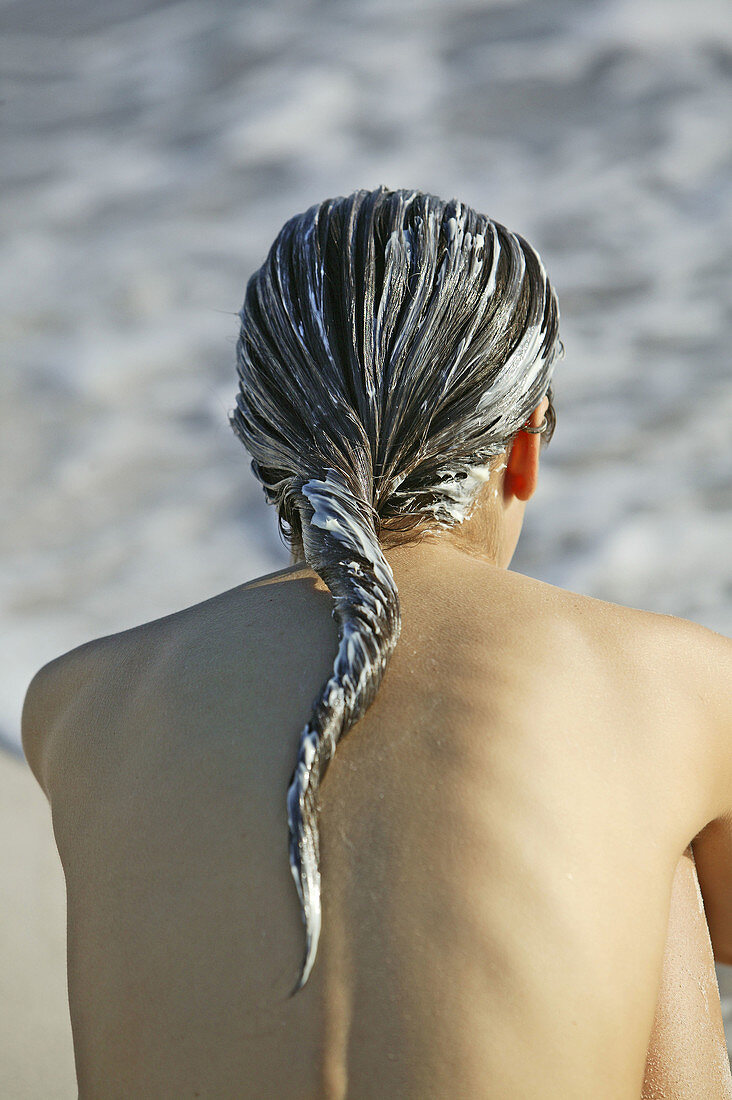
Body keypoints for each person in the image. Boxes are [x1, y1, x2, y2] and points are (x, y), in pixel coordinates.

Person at [21, 186, 732, 1098]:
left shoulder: (83, 701)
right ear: (522, 450)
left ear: (262, 443)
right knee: (658, 865)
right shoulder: (668, 681)